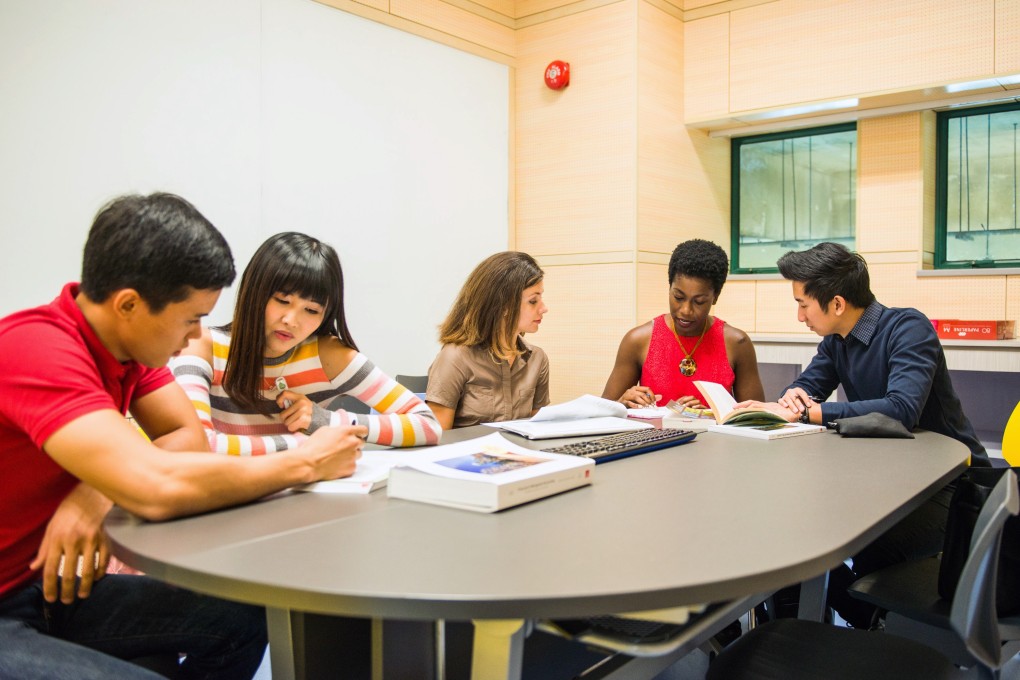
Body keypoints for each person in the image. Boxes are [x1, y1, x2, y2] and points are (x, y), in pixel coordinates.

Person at [0, 193, 366, 679]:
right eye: (190, 318)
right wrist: (306, 462)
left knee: (241, 616)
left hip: (44, 588)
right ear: (129, 304)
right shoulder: (38, 349)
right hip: (8, 603)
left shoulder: (127, 350)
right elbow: (157, 487)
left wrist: (95, 490)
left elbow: (185, 437)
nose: (196, 336)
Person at [737, 241, 988, 628]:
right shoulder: (836, 342)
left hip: (956, 487)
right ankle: (826, 625)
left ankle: (869, 624)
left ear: (837, 304)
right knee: (794, 533)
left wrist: (807, 411)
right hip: (893, 479)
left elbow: (901, 410)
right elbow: (807, 388)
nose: (799, 316)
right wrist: (788, 402)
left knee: (861, 546)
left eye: (803, 304)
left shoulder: (908, 329)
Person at [172, 232, 441, 452]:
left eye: (311, 310)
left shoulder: (327, 356)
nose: (292, 320)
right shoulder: (202, 348)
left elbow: (428, 425)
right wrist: (309, 445)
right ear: (255, 293)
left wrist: (328, 421)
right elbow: (198, 445)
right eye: (282, 301)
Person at [603, 239, 764, 409]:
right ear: (669, 287)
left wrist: (709, 416)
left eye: (699, 301)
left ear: (715, 296)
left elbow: (758, 418)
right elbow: (601, 413)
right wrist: (622, 403)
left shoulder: (737, 343)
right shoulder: (637, 340)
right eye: (678, 297)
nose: (686, 310)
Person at [426, 251, 549, 428]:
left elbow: (539, 430)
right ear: (504, 305)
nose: (544, 308)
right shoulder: (455, 357)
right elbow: (438, 435)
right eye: (533, 301)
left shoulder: (537, 359)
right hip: (467, 447)